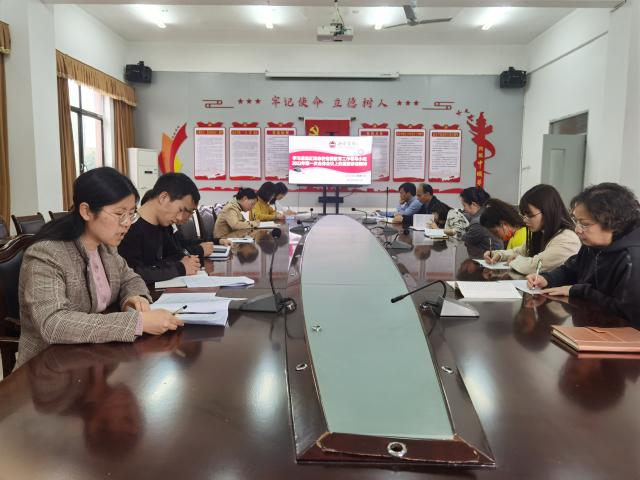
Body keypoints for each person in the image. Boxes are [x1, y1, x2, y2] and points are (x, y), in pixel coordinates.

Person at [17, 167, 183, 367]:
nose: (127, 223)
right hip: (48, 369)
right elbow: (53, 323)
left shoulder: (106, 247)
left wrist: (133, 298)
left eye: (131, 214)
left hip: (94, 361)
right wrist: (137, 322)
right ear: (86, 211)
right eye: (119, 213)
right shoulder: (47, 254)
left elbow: (130, 278)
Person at [528, 183, 640, 325]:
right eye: (576, 221)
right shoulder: (592, 245)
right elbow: (571, 269)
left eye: (584, 224)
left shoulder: (632, 257)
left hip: (619, 333)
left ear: (614, 222)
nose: (577, 229)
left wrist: (580, 291)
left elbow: (627, 313)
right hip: (590, 325)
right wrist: (547, 278)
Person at [119, 173, 202, 283]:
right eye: (181, 210)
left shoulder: (163, 225)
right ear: (164, 198)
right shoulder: (129, 228)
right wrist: (180, 268)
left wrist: (184, 262)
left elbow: (175, 255)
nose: (180, 218)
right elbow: (134, 273)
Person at [485, 184, 580, 274]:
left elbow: (535, 265)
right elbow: (521, 251)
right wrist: (498, 254)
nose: (524, 220)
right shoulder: (542, 233)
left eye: (530, 215)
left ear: (548, 211)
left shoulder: (567, 238)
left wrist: (515, 260)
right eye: (523, 215)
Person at [459, 186, 503, 252]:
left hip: (487, 257)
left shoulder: (478, 223)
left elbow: (462, 240)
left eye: (464, 205)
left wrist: (448, 232)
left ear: (473, 204)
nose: (464, 209)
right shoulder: (487, 213)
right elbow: (467, 216)